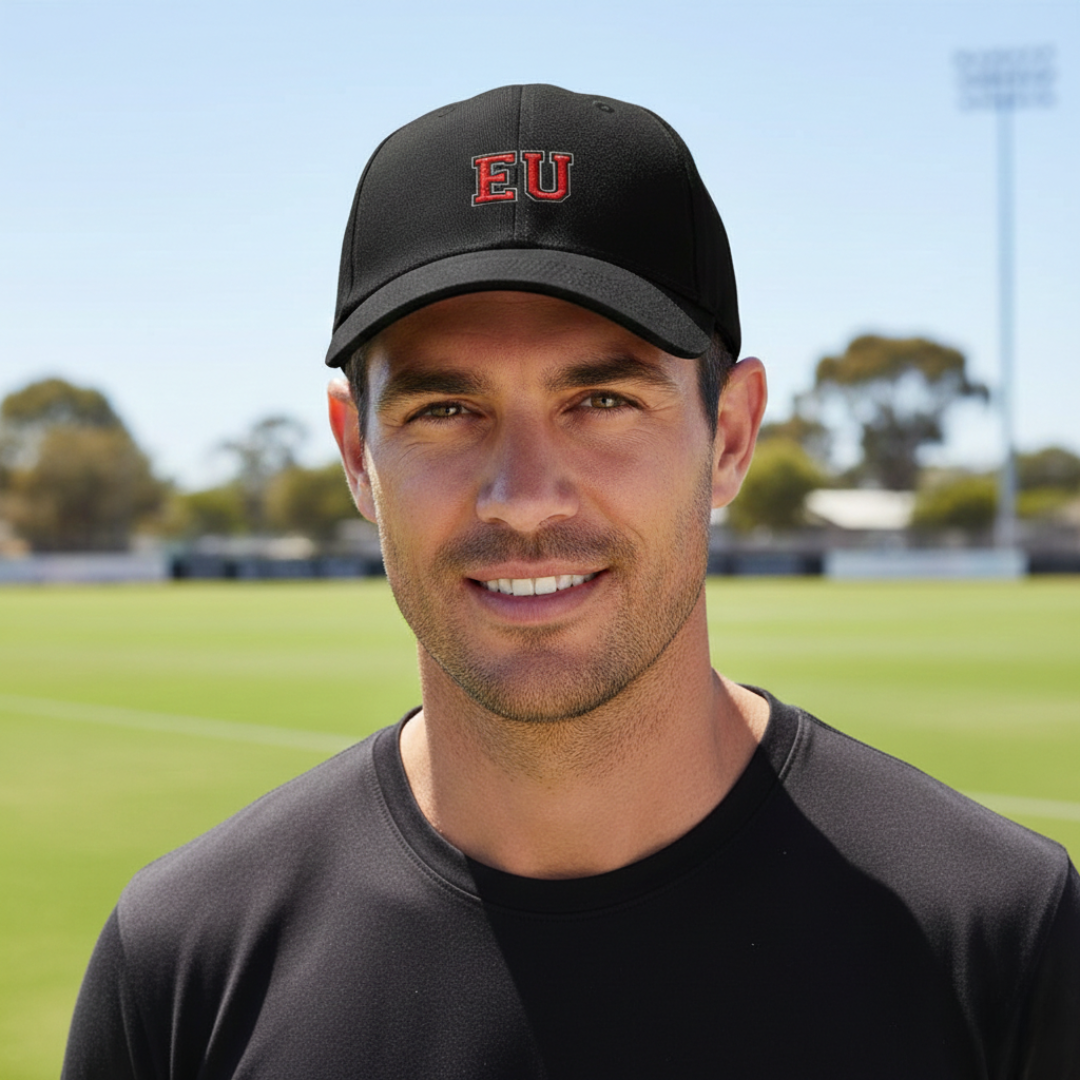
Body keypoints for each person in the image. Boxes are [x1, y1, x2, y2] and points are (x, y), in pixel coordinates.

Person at [63, 84, 1079, 1080]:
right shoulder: (184, 962)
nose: (522, 498)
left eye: (600, 398)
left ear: (729, 435)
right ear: (357, 455)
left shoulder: (999, 936)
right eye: (446, 410)